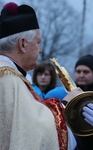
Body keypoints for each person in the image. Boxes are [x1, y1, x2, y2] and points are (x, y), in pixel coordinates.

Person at [0, 2, 77, 149]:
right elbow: (32, 134)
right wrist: (66, 105)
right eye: (38, 42)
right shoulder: (7, 79)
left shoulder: (11, 75)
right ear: (22, 44)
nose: (40, 50)